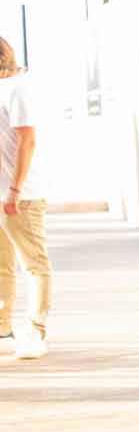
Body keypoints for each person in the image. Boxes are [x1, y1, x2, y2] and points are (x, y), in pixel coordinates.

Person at [0, 36, 53, 361]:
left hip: (21, 196)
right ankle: (3, 326)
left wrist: (15, 190)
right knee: (1, 266)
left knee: (34, 265)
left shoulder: (17, 88)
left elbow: (27, 140)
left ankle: (35, 332)